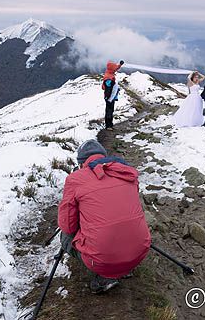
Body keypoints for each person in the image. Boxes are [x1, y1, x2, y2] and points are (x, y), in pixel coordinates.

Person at [58, 139, 151, 294]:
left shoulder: (75, 180)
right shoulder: (126, 172)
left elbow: (68, 226)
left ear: (81, 164)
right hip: (140, 252)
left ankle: (106, 276)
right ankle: (126, 267)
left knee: (65, 237)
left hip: (103, 260)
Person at [102, 60, 124, 131]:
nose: (116, 69)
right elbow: (108, 88)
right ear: (112, 69)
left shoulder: (110, 72)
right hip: (109, 97)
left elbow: (116, 68)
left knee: (111, 110)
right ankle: (108, 126)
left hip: (111, 97)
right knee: (109, 110)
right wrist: (108, 98)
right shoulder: (108, 77)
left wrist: (120, 65)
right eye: (114, 68)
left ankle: (110, 125)